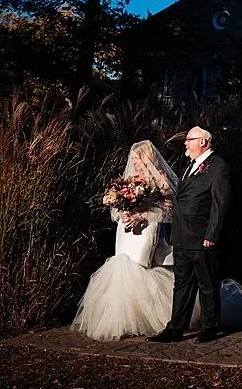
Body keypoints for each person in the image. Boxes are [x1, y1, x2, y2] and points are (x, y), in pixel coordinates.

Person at [70, 140, 180, 341]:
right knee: (122, 265)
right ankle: (126, 319)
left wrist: (141, 216)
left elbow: (169, 208)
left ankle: (150, 317)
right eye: (133, 158)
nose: (134, 162)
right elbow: (118, 202)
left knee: (140, 265)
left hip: (147, 227)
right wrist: (122, 212)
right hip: (126, 228)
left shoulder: (160, 178)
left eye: (137, 158)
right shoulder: (130, 178)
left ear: (147, 157)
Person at [148, 125, 232, 343]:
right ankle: (176, 328)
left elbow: (220, 204)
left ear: (203, 142)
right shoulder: (189, 166)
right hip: (182, 237)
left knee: (207, 284)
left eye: (189, 139)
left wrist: (212, 235)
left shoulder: (218, 167)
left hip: (202, 237)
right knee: (182, 284)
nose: (185, 143)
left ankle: (210, 326)